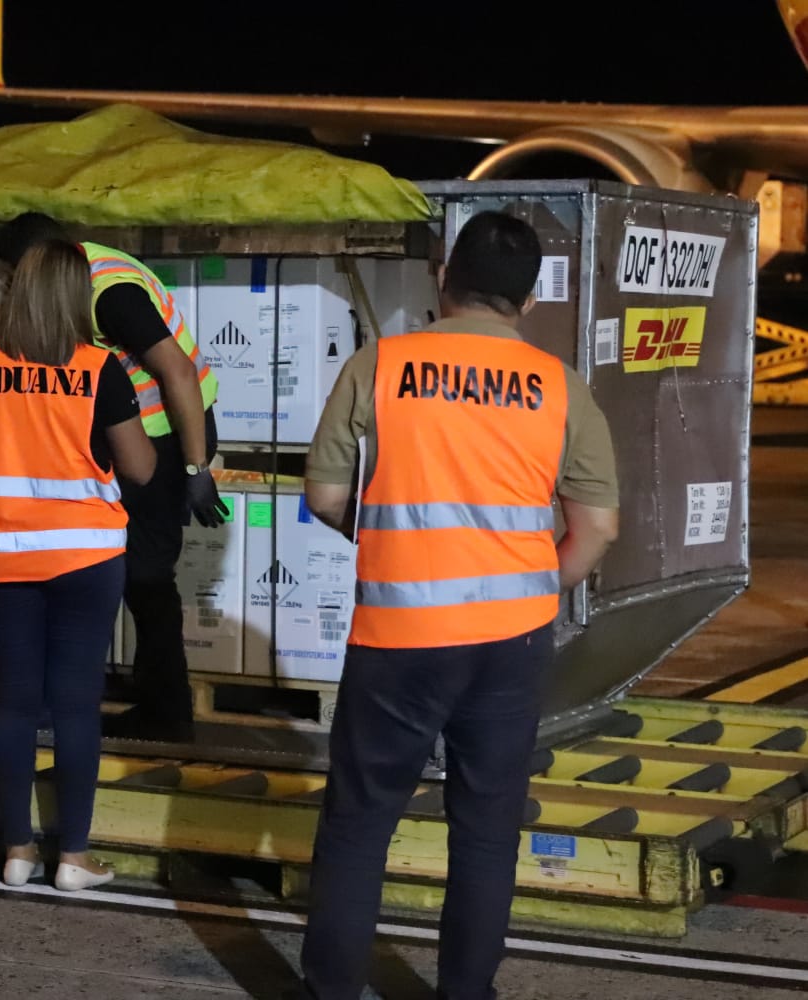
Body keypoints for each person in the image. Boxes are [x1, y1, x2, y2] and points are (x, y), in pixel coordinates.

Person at [293, 212, 621, 1000]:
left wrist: (391, 548)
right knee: (485, 829)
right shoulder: (558, 385)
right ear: (529, 299)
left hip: (399, 633)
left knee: (361, 820)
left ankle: (331, 990)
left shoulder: (380, 365)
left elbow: (327, 494)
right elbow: (599, 528)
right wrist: (539, 587)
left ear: (444, 278)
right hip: (510, 642)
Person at [0, 239, 156, 890]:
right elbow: (140, 467)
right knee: (73, 705)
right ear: (75, 296)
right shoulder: (100, 370)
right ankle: (72, 856)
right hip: (85, 559)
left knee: (14, 703)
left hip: (5, 557)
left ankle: (15, 850)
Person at [0, 213, 225, 744]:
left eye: (15, 274)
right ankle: (155, 705)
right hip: (141, 436)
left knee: (145, 576)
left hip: (166, 438)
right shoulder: (83, 269)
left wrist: (194, 469)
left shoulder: (107, 292)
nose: (15, 287)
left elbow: (178, 371)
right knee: (130, 572)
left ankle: (166, 713)